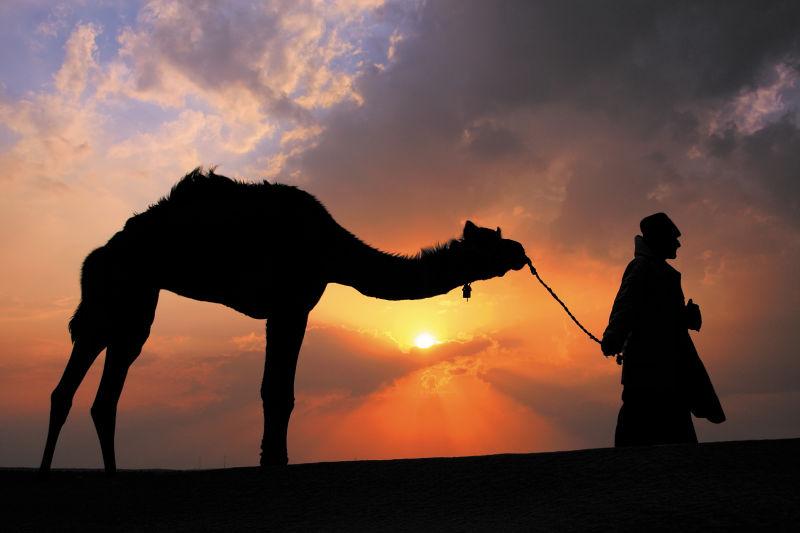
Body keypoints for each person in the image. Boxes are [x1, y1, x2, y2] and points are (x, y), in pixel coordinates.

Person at [601, 213, 725, 446]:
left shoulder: (658, 271)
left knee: (665, 425)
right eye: (673, 238)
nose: (678, 244)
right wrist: (613, 337)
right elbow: (626, 306)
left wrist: (684, 317)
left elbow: (644, 310)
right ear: (660, 239)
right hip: (649, 365)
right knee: (642, 426)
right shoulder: (642, 268)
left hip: (665, 366)